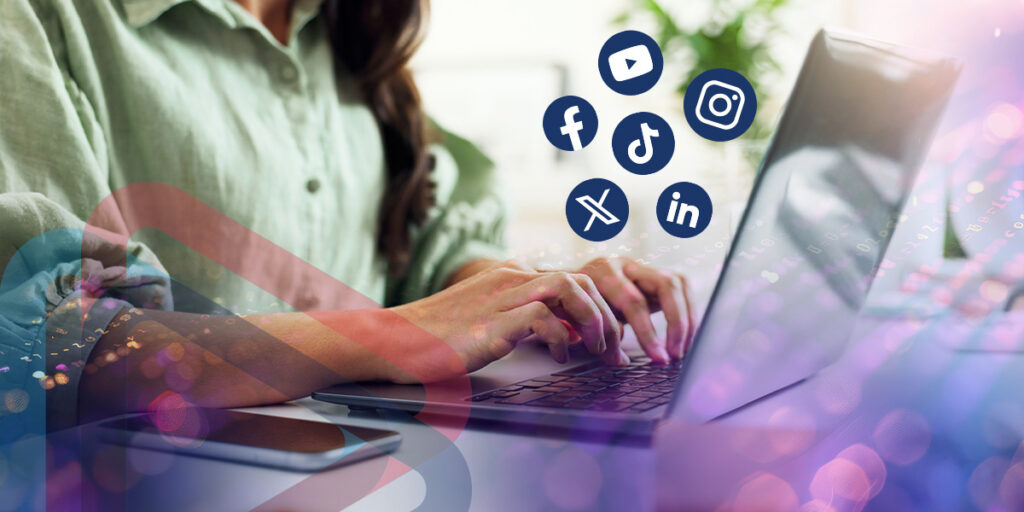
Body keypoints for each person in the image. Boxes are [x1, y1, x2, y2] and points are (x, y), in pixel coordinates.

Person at [0, 0, 694, 431]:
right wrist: (392, 336)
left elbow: (418, 243)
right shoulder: (42, 17)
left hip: (358, 464)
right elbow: (46, 350)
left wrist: (526, 296)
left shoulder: (347, 26)